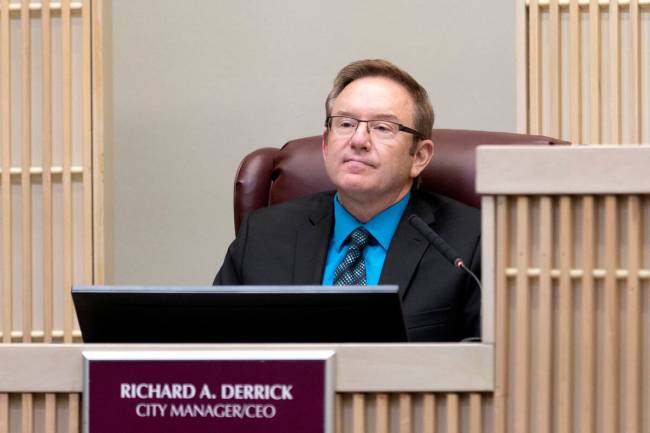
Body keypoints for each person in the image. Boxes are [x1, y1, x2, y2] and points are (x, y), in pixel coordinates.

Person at [214, 59, 481, 342]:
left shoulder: (471, 244)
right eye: (345, 123)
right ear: (326, 144)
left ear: (419, 156)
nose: (358, 140)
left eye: (382, 127)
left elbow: (493, 369)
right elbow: (212, 349)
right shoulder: (263, 235)